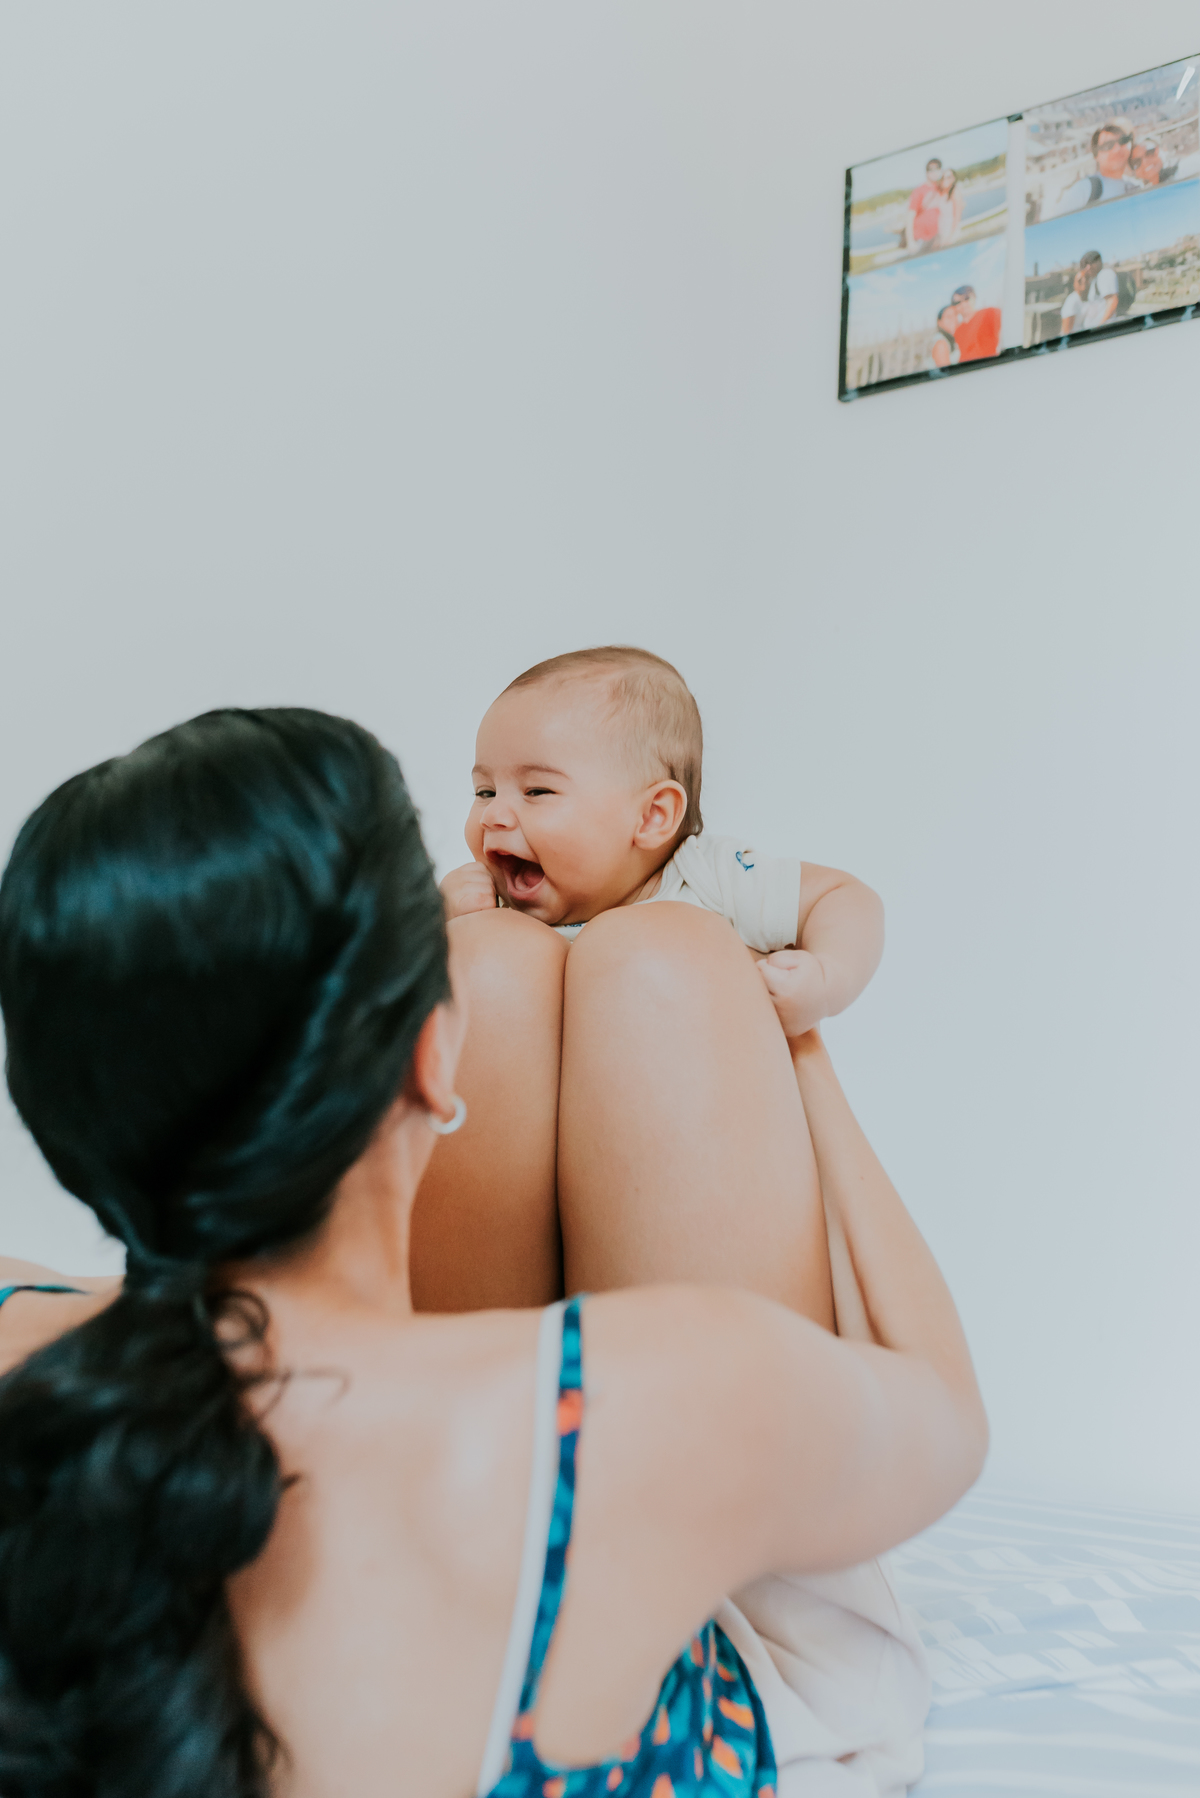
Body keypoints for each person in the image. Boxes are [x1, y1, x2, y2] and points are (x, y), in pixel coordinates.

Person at [0, 706, 987, 1798]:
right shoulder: (683, 1385)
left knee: (518, 963)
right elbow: (944, 1414)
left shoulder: (23, 1343)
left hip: (438, 1436)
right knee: (664, 953)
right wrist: (792, 1043)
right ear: (433, 1056)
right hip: (622, 1538)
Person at [439, 648, 884, 1051]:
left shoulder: (709, 877)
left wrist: (826, 980)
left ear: (652, 816)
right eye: (485, 792)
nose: (493, 815)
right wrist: (447, 915)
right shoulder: (494, 911)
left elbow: (841, 897)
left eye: (536, 790)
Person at [1041, 120, 1141, 219]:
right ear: (1096, 156)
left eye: (1122, 141)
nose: (1117, 149)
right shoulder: (1085, 189)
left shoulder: (1135, 186)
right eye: (1108, 145)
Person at [949, 285, 1001, 362]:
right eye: (957, 302)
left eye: (966, 298)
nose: (963, 304)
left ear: (974, 297)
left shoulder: (990, 313)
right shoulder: (956, 332)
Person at [907, 157, 944, 253]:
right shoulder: (918, 191)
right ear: (926, 172)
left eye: (937, 169)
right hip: (921, 239)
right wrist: (910, 241)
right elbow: (910, 217)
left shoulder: (941, 188)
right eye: (931, 170)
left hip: (936, 237)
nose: (934, 172)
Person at [933, 168, 963, 248]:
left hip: (950, 231)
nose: (945, 179)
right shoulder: (942, 193)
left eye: (948, 177)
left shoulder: (955, 192)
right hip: (941, 232)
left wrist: (950, 236)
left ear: (953, 179)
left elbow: (957, 216)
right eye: (943, 177)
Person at [930, 301, 962, 368]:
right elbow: (945, 372)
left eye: (955, 315)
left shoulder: (950, 337)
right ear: (939, 322)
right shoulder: (941, 343)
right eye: (949, 316)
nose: (954, 319)